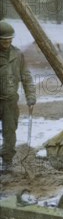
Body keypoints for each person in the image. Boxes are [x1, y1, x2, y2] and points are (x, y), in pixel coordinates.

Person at [0, 20, 36, 173]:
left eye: (10, 39)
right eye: (4, 40)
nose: (7, 42)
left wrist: (31, 97)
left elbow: (26, 77)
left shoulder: (17, 54)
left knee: (10, 133)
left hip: (10, 102)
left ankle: (6, 162)